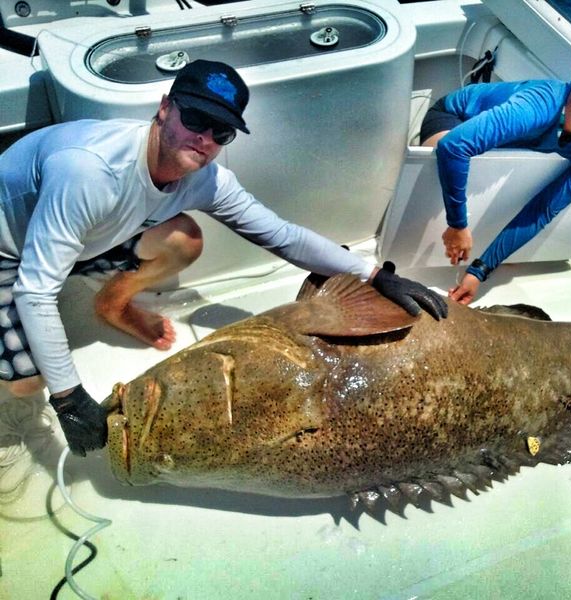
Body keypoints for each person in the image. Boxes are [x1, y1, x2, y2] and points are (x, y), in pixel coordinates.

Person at [0, 60, 447, 457]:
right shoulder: (89, 171)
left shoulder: (208, 179)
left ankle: (111, 304)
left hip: (82, 239)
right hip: (9, 252)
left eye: (222, 131)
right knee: (28, 385)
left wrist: (374, 274)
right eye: (196, 118)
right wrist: (69, 399)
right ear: (164, 108)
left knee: (184, 241)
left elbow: (281, 235)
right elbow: (36, 290)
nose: (205, 138)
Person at [420, 41, 571, 304]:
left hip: (502, 149)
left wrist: (479, 271)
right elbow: (455, 146)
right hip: (456, 119)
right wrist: (457, 225)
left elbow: (542, 210)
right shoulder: (539, 104)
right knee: (434, 169)